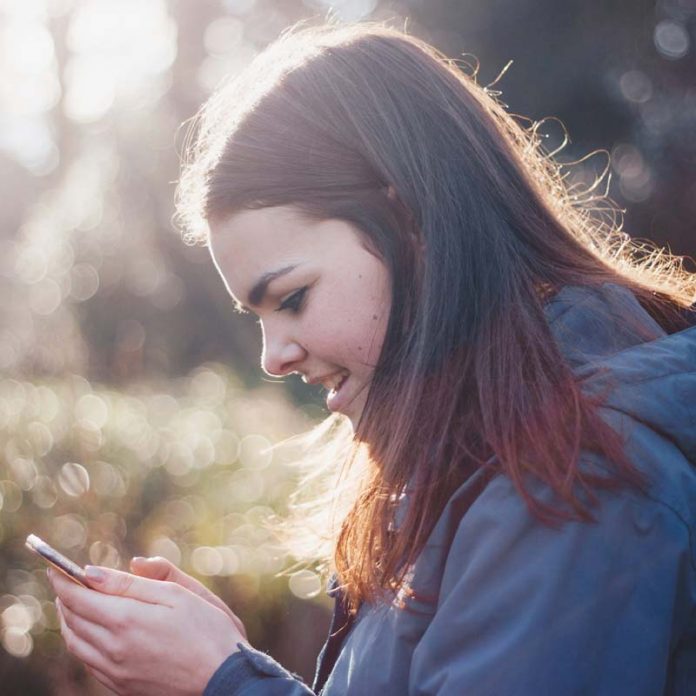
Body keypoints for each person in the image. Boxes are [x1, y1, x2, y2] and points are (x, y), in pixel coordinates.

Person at [48, 21, 696, 696]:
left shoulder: (577, 475)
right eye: (259, 316)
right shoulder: (484, 450)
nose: (274, 357)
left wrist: (224, 680)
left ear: (411, 223)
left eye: (293, 298)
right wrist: (228, 663)